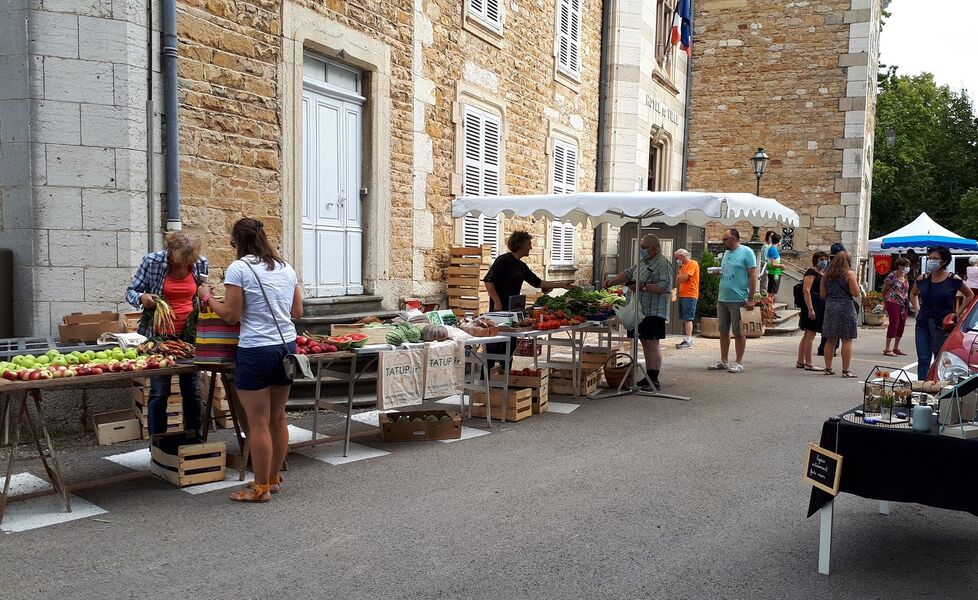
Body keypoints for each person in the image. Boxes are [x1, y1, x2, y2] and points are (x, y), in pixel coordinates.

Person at [197, 218, 303, 503]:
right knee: (277, 418)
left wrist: (207, 298)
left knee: (257, 423)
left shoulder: (239, 268)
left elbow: (231, 314)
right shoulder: (286, 268)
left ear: (236, 242)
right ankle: (273, 479)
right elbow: (297, 310)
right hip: (285, 347)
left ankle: (259, 489)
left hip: (255, 349)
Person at [125, 231, 208, 437]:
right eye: (182, 260)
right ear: (170, 250)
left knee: (192, 390)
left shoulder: (199, 263)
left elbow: (202, 294)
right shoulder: (152, 261)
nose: (185, 265)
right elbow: (131, 292)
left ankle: (193, 437)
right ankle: (158, 441)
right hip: (159, 337)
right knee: (160, 391)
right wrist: (142, 297)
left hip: (189, 337)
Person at [483, 231, 573, 368]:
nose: (531, 247)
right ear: (521, 244)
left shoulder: (521, 266)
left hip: (513, 312)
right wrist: (497, 301)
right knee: (494, 345)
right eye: (529, 244)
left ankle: (505, 378)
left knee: (510, 346)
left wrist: (561, 284)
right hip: (498, 311)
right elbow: (488, 281)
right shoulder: (503, 260)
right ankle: (486, 380)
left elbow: (539, 283)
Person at [605, 234, 673, 390]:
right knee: (644, 341)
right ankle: (648, 376)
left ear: (654, 249)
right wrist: (609, 283)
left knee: (653, 342)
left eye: (644, 248)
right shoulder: (643, 262)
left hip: (654, 310)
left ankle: (654, 379)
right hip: (640, 310)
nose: (641, 251)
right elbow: (628, 273)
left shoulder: (663, 264)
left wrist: (643, 287)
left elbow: (665, 287)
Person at [910, 246, 975, 381]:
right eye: (930, 258)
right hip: (923, 323)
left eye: (935, 259)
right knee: (923, 358)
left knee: (939, 358)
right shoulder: (923, 278)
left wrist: (958, 313)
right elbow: (913, 294)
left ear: (944, 261)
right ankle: (922, 389)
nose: (931, 261)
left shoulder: (953, 279)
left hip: (944, 325)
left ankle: (936, 388)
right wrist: (916, 310)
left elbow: (970, 295)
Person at [708, 228, 757, 374]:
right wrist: (718, 272)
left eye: (725, 239)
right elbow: (729, 271)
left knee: (738, 332)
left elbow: (753, 276)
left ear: (734, 238)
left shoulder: (747, 252)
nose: (723, 242)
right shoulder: (727, 253)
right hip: (723, 297)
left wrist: (751, 298)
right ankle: (724, 360)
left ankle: (739, 362)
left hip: (738, 298)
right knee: (723, 330)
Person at [820, 251, 860, 377]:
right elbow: (855, 292)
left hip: (831, 307)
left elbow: (822, 294)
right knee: (847, 339)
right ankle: (845, 370)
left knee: (830, 339)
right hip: (846, 307)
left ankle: (828, 368)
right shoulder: (849, 274)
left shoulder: (826, 276)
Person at [795, 251, 828, 371]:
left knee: (807, 334)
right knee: (811, 334)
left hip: (818, 303)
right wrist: (810, 309)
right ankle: (808, 362)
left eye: (825, 259)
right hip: (812, 304)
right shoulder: (811, 272)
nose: (824, 261)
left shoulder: (822, 273)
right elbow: (806, 290)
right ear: (816, 260)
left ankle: (800, 360)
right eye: (821, 259)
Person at [817, 242, 847, 358]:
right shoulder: (840, 268)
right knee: (836, 329)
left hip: (828, 300)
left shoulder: (828, 267)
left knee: (829, 327)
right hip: (837, 300)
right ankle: (831, 349)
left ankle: (823, 348)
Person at [882, 257, 911, 357]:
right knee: (894, 324)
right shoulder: (892, 276)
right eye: (905, 266)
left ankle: (896, 347)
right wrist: (885, 302)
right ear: (900, 266)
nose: (907, 268)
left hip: (903, 303)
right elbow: (884, 290)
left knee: (901, 325)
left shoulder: (905, 276)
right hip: (893, 301)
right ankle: (887, 348)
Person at [674, 249, 700, 349]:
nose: (677, 260)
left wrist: (681, 277)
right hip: (683, 294)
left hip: (690, 294)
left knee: (688, 318)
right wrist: (681, 275)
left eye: (677, 257)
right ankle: (687, 338)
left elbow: (685, 278)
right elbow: (677, 280)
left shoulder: (693, 263)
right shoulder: (682, 267)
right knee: (685, 318)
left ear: (681, 256)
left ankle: (689, 340)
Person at [766, 233, 783, 305]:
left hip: (773, 272)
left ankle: (770, 310)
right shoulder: (774, 250)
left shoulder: (771, 249)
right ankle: (769, 309)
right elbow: (773, 263)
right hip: (774, 273)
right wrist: (781, 265)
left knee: (771, 292)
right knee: (772, 293)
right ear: (779, 242)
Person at [759, 231, 774, 296]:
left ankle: (766, 297)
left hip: (771, 268)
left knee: (769, 284)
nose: (771, 238)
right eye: (770, 236)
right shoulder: (765, 247)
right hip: (765, 267)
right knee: (764, 283)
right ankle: (763, 298)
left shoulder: (772, 247)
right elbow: (764, 258)